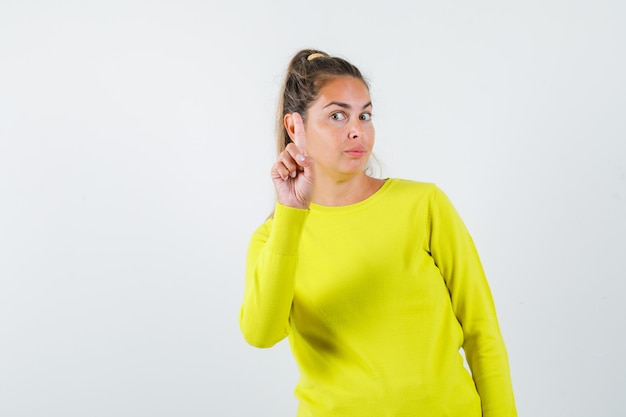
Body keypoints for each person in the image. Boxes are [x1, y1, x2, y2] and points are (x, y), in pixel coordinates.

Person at [239, 48, 517, 417]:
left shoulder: (424, 204)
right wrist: (290, 214)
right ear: (295, 128)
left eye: (365, 115)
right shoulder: (274, 238)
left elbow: (482, 334)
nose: (357, 130)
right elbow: (261, 334)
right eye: (337, 115)